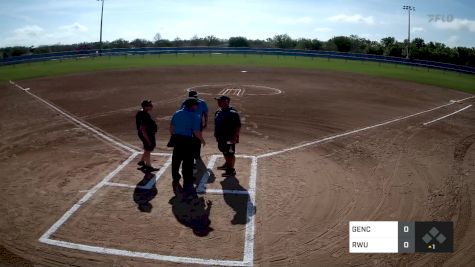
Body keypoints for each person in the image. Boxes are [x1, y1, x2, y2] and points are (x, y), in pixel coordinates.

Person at [169, 98, 206, 196]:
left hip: (177, 140)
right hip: (188, 141)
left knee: (176, 160)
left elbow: (171, 128)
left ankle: (176, 178)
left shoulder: (177, 113)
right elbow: (196, 132)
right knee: (188, 163)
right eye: (196, 105)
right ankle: (187, 182)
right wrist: (202, 140)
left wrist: (175, 136)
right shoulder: (195, 116)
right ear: (192, 106)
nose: (197, 107)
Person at [214, 95, 241, 177]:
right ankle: (227, 165)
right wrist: (216, 133)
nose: (218, 102)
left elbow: (238, 126)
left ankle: (231, 170)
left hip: (229, 137)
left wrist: (235, 137)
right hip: (221, 137)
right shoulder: (218, 112)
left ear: (227, 102)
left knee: (230, 153)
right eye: (218, 101)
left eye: (220, 101)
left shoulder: (232, 113)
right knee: (224, 151)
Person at [181, 90, 208, 162]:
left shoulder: (201, 102)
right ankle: (192, 154)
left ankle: (196, 155)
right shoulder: (185, 103)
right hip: (189, 124)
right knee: (190, 139)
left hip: (196, 124)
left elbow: (205, 113)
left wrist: (206, 122)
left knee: (196, 139)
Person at [136, 100, 160, 173]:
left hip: (147, 134)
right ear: (145, 107)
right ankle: (148, 166)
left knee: (147, 148)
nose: (151, 106)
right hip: (146, 135)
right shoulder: (143, 115)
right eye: (150, 105)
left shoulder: (143, 113)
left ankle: (142, 161)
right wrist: (148, 140)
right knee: (149, 148)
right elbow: (143, 129)